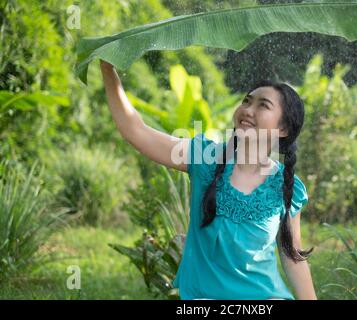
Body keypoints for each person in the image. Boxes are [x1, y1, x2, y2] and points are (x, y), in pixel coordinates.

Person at [100, 59, 317, 300]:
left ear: (283, 129)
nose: (248, 109)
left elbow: (293, 258)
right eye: (247, 100)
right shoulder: (204, 159)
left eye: (263, 105)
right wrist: (108, 68)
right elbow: (136, 132)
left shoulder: (287, 187)